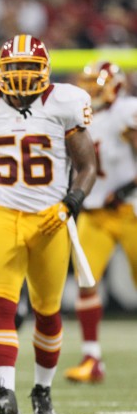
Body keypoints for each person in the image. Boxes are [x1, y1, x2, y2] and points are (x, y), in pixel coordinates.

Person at [0, 34, 97, 414]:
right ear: (1, 71)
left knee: (47, 311)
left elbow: (87, 168)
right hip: (2, 217)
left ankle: (42, 389)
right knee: (0, 305)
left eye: (28, 68)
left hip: (50, 221)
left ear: (45, 70)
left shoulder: (65, 103)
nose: (19, 75)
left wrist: (69, 205)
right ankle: (5, 393)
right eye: (13, 67)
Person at [63, 61, 137, 383]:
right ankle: (92, 359)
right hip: (94, 212)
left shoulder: (126, 111)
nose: (91, 90)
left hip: (130, 210)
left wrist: (125, 189)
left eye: (97, 83)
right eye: (87, 83)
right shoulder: (80, 117)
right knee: (86, 282)